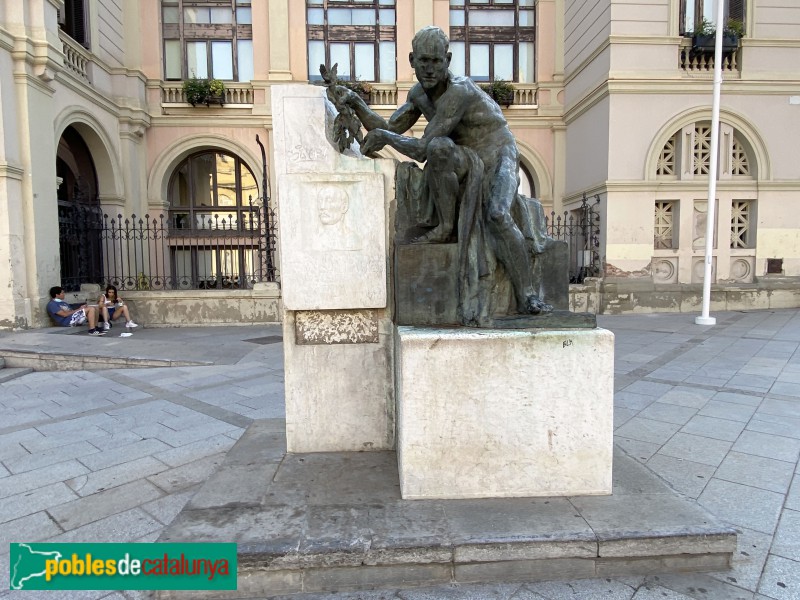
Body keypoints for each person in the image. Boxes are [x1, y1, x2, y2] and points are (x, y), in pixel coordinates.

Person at [330, 26, 551, 323]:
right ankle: (446, 226)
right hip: (467, 156)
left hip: (497, 153)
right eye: (424, 61)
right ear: (412, 60)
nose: (430, 69)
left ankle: (527, 294)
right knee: (440, 148)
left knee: (498, 213)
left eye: (436, 61)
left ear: (447, 60)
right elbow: (391, 127)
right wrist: (356, 102)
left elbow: (419, 148)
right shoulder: (419, 94)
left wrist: (385, 138)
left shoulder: (459, 90)